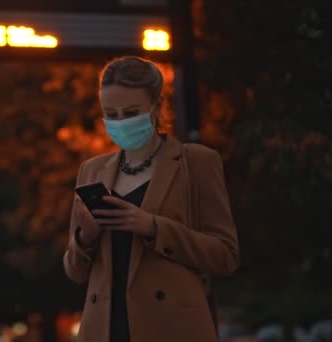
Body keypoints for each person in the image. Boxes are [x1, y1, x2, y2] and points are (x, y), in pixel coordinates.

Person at [63, 56, 240, 342]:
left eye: (131, 111)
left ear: (156, 106)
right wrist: (86, 237)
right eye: (111, 113)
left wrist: (153, 227)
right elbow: (74, 270)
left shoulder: (195, 163)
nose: (120, 122)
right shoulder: (92, 170)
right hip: (105, 329)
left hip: (171, 327)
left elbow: (226, 256)